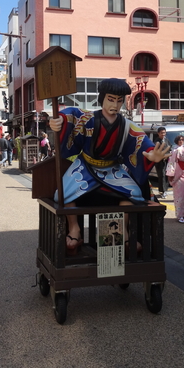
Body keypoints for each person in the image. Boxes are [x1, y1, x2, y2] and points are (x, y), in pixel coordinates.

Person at [49, 78, 171, 253]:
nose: (115, 104)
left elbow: (142, 143)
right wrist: (58, 121)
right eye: (111, 99)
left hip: (112, 169)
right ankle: (74, 228)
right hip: (85, 168)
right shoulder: (87, 118)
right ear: (102, 98)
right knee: (63, 193)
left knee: (133, 194)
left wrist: (151, 155)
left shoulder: (127, 126)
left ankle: (123, 234)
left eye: (119, 100)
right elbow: (71, 115)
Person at [166, 139, 184, 223]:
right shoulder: (178, 150)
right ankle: (179, 215)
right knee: (179, 196)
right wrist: (170, 174)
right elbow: (172, 161)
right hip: (178, 174)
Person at [154, 126, 170, 199]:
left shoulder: (166, 140)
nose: (163, 134)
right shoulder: (157, 141)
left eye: (164, 132)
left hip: (167, 161)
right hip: (159, 162)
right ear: (158, 133)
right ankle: (163, 191)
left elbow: (170, 148)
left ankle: (165, 190)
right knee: (162, 175)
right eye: (161, 133)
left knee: (166, 175)